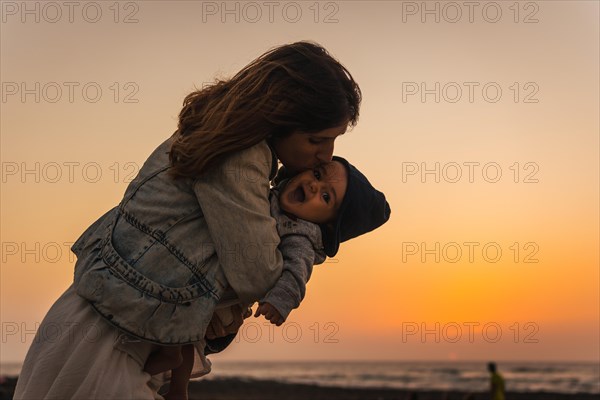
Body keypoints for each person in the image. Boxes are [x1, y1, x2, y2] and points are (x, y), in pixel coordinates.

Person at [14, 40, 362, 400]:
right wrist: (306, 240)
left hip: (110, 323)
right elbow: (257, 274)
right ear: (282, 117)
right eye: (317, 140)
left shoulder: (217, 134)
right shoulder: (240, 157)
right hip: (108, 341)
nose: (327, 154)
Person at [146, 157, 391, 398]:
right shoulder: (267, 191)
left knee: (186, 322)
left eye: (326, 197)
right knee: (186, 328)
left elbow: (297, 272)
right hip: (205, 277)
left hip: (224, 300)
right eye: (317, 174)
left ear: (327, 226)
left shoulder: (301, 235)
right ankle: (177, 381)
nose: (315, 186)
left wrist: (280, 301)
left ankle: (178, 383)